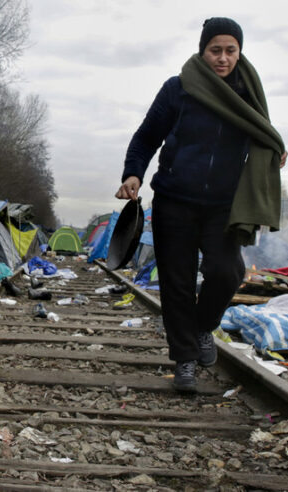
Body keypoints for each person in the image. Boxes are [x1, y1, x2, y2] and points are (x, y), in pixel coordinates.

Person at [116, 17, 286, 392]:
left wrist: (273, 148)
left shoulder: (247, 95)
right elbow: (146, 137)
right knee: (176, 284)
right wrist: (133, 175)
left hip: (224, 205)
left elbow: (262, 132)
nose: (222, 58)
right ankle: (185, 362)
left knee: (227, 272)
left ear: (239, 53)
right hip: (174, 200)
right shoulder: (178, 90)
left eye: (230, 51)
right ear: (202, 50)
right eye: (215, 50)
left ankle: (203, 326)